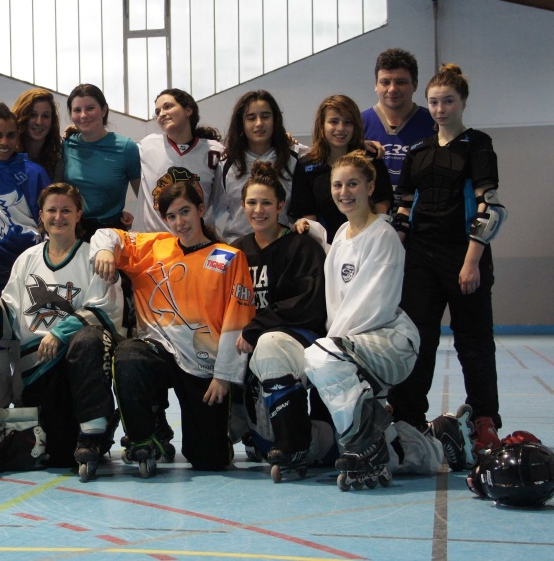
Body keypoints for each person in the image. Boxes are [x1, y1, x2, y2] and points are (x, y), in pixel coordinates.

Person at [92, 181, 256, 474]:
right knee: (129, 355)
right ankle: (147, 434)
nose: (179, 222)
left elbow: (238, 319)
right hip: (158, 350)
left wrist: (224, 376)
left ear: (201, 210)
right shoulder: (155, 247)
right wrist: (104, 251)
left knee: (210, 460)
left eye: (185, 212)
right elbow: (107, 235)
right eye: (171, 216)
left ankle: (230, 423)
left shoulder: (229, 257)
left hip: (204, 366)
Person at [388, 64, 506, 456]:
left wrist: (472, 261)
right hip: (421, 261)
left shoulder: (478, 145)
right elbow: (403, 213)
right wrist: (392, 258)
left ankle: (485, 419)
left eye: (448, 101)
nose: (440, 109)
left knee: (474, 343)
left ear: (463, 103)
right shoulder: (418, 152)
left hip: (465, 257)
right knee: (416, 341)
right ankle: (407, 419)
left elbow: (490, 208)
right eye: (434, 102)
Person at [0, 183, 123, 476]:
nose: (59, 217)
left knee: (89, 339)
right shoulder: (27, 259)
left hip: (76, 364)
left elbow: (105, 311)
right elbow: (11, 314)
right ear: (41, 215)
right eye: (51, 210)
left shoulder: (94, 257)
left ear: (79, 214)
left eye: (66, 210)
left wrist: (59, 332)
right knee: (60, 456)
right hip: (36, 370)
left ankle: (95, 426)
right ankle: (96, 428)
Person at [303, 152, 421, 490]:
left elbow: (372, 305)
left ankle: (363, 446)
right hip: (357, 344)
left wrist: (330, 346)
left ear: (370, 187)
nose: (344, 191)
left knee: (319, 357)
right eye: (337, 185)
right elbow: (338, 296)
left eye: (353, 183)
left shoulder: (383, 236)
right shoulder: (342, 233)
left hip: (391, 342)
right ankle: (408, 446)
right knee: (323, 358)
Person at [230, 161, 331, 481]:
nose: (258, 210)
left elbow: (311, 304)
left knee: (270, 345)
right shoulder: (237, 252)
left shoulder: (302, 247)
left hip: (296, 339)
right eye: (251, 203)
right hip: (247, 344)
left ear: (281, 206)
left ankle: (298, 442)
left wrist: (259, 326)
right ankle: (248, 428)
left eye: (266, 203)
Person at [0, 102, 51, 297]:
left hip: (28, 276)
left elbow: (49, 225)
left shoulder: (34, 173)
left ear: (17, 136)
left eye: (10, 135)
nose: (4, 142)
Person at [290, 95, 393, 244]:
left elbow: (382, 201)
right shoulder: (306, 165)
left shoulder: (370, 159)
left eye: (348, 122)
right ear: (322, 125)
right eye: (333, 121)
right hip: (327, 246)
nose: (341, 128)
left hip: (368, 241)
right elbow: (307, 214)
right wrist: (305, 225)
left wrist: (376, 234)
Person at [217, 90, 305, 243]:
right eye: (251, 118)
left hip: (282, 247)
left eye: (265, 116)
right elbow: (214, 209)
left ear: (275, 119)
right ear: (241, 123)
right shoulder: (225, 163)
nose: (259, 123)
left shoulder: (295, 157)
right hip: (238, 248)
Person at [133, 88, 225, 234]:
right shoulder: (146, 146)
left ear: (188, 110)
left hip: (196, 245)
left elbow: (221, 203)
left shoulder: (214, 151)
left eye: (168, 106)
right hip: (152, 245)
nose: (162, 114)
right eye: (157, 112)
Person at [60, 83, 141, 238]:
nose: (83, 115)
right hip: (72, 232)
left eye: (90, 108)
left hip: (111, 232)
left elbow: (143, 198)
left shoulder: (126, 148)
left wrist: (141, 225)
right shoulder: (67, 145)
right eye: (77, 110)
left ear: (104, 110)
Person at [361, 48, 435, 205]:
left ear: (415, 85)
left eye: (401, 82)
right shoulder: (356, 125)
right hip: (371, 220)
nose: (392, 89)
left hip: (420, 218)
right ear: (376, 85)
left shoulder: (434, 124)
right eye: (385, 82)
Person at [12, 87, 63, 180]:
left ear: (52, 121)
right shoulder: (8, 157)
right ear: (21, 117)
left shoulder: (58, 162)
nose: (39, 122)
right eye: (33, 115)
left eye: (45, 116)